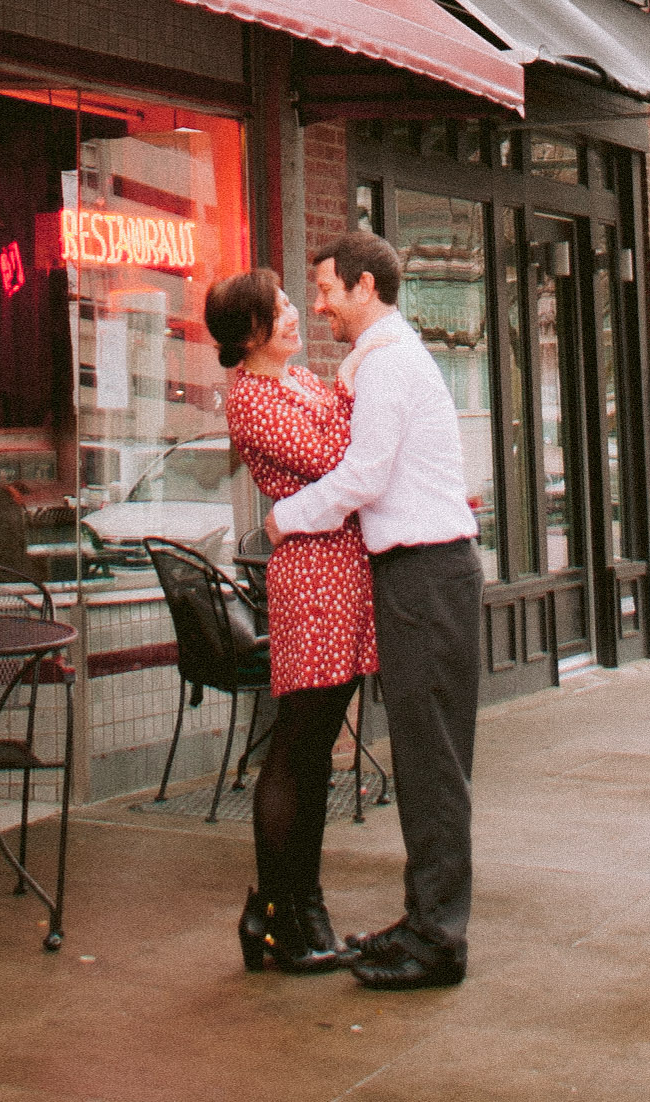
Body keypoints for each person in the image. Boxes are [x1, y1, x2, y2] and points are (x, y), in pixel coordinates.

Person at [266, 230, 481, 991]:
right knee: (427, 759)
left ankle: (436, 941)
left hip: (425, 575)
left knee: (434, 764)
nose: (319, 306)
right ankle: (425, 923)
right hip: (423, 575)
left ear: (364, 286)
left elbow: (364, 474)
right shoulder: (386, 362)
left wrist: (286, 517)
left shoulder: (389, 365)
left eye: (325, 290)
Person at [204, 263, 375, 975]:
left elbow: (350, 426)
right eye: (277, 311)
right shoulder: (250, 400)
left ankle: (296, 910)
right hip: (312, 580)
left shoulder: (297, 382)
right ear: (249, 334)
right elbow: (342, 451)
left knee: (313, 749)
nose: (293, 316)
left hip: (341, 573)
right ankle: (283, 914)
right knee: (297, 749)